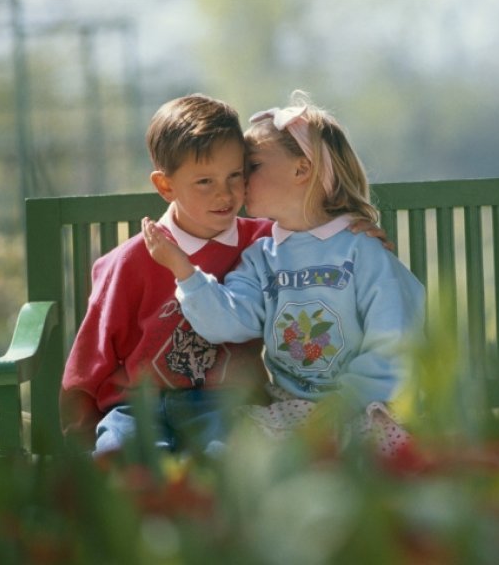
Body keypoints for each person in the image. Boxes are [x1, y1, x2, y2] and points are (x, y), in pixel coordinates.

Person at [60, 93, 389, 457]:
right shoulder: (130, 260)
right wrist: (78, 435)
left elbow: (315, 237)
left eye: (236, 175)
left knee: (228, 461)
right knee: (121, 459)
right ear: (166, 186)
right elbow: (93, 355)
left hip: (225, 406)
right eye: (204, 181)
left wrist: (352, 233)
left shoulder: (267, 245)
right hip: (135, 407)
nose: (226, 193)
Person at [143, 90, 425, 456]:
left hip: (363, 408)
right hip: (292, 411)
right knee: (234, 456)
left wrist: (340, 407)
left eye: (252, 166)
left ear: (301, 168)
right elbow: (226, 322)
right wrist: (184, 270)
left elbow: (394, 342)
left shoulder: (361, 248)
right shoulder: (261, 256)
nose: (241, 182)